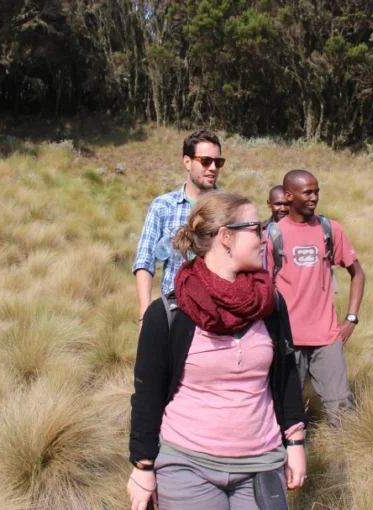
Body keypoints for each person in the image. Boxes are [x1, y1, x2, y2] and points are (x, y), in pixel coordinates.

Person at [128, 191, 307, 510]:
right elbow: (147, 395)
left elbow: (286, 375)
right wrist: (142, 467)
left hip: (262, 464)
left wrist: (295, 442)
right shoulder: (169, 313)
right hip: (186, 465)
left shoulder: (270, 304)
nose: (265, 237)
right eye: (256, 229)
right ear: (226, 237)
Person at [265, 170, 365, 429]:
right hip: (288, 341)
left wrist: (351, 319)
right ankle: (292, 465)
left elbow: (358, 274)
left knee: (342, 411)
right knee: (286, 412)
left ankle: (343, 467)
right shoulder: (271, 236)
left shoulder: (330, 229)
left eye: (316, 191)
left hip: (327, 338)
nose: (314, 197)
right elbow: (261, 289)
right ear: (289, 196)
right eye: (307, 192)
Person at [132, 129, 224, 322]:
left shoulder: (228, 207)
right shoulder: (163, 206)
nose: (213, 167)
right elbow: (145, 260)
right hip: (174, 311)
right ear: (187, 162)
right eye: (206, 161)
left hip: (218, 312)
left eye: (218, 162)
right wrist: (145, 314)